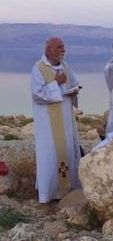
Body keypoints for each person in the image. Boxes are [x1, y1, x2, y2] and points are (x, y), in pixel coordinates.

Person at [31, 37, 82, 203]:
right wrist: (55, 82)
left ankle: (69, 190)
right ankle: (49, 194)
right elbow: (37, 94)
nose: (63, 50)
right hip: (48, 125)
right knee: (50, 156)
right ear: (49, 50)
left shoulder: (65, 66)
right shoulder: (38, 69)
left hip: (65, 121)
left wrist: (74, 91)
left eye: (63, 47)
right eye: (60, 47)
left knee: (66, 151)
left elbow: (73, 83)